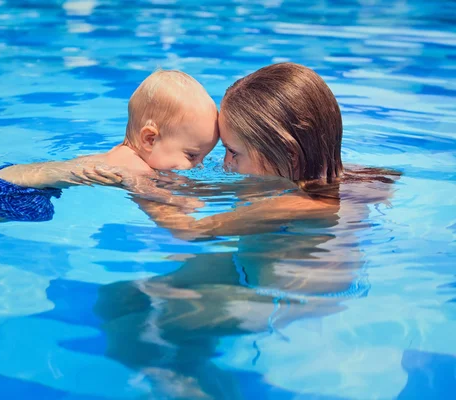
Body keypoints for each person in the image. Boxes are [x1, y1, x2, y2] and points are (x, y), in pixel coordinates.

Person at [87, 63, 401, 398]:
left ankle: (185, 387)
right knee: (122, 294)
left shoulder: (295, 204)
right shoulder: (349, 178)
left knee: (134, 323)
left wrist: (135, 184)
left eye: (233, 153)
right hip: (255, 268)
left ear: (288, 155)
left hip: (278, 297)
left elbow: (190, 231)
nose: (224, 165)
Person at [0, 69, 219, 223]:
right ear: (150, 139)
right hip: (12, 183)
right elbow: (146, 192)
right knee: (27, 214)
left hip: (7, 177)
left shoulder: (127, 153)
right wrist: (182, 203)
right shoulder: (132, 164)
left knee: (27, 203)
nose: (199, 165)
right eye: (192, 155)